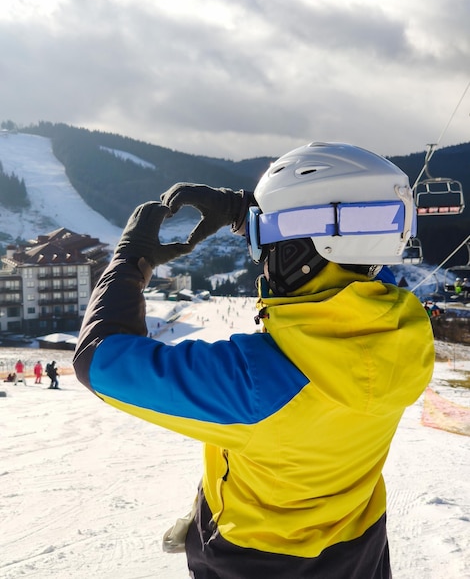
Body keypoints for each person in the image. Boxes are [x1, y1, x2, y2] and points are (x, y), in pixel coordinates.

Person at [73, 142, 435, 579]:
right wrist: (246, 213)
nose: (262, 259)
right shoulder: (402, 332)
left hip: (253, 561)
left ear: (301, 250)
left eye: (267, 240)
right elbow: (349, 250)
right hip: (359, 550)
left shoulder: (257, 382)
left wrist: (129, 260)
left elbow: (99, 360)